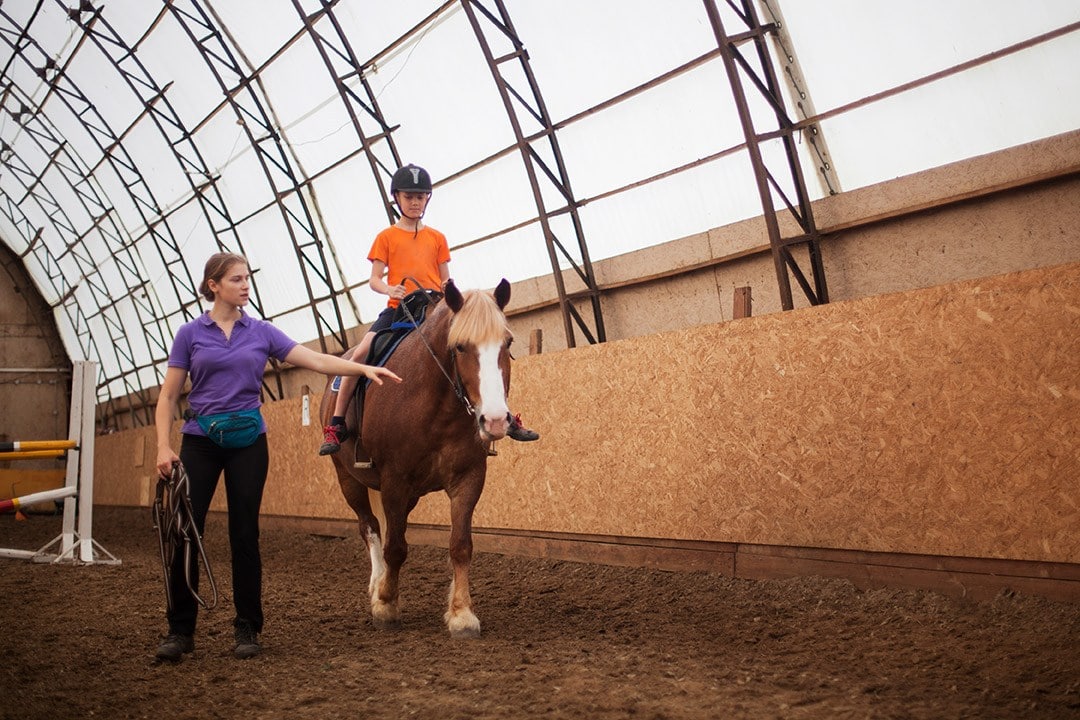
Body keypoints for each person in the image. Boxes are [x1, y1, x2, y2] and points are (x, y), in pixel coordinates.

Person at [153, 252, 401, 662]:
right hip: (199, 439)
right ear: (213, 285)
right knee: (185, 533)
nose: (246, 285)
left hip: (248, 441)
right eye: (236, 279)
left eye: (247, 278)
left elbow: (316, 360)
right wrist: (163, 446)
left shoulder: (262, 332)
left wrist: (363, 370)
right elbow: (167, 396)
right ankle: (180, 630)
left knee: (244, 534)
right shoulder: (189, 334)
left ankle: (247, 627)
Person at [318, 163, 538, 456]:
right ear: (396, 198)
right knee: (360, 354)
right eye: (409, 196)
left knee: (478, 352)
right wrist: (388, 289)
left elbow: (445, 277)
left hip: (434, 306)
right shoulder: (386, 237)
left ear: (427, 199)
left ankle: (504, 416)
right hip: (399, 308)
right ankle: (336, 423)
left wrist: (457, 297)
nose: (415, 202)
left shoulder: (437, 237)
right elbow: (374, 279)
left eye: (421, 197)